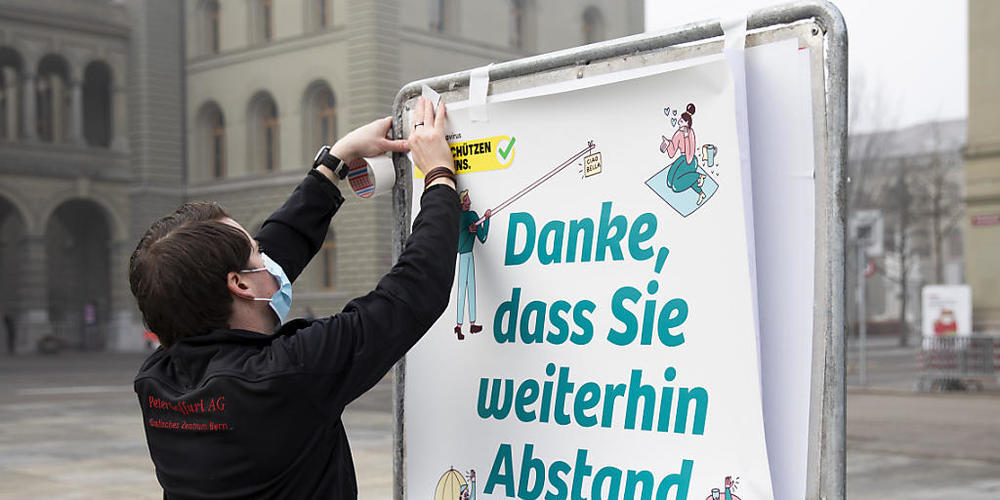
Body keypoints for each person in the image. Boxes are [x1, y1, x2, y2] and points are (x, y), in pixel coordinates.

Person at [130, 96, 457, 498]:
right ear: (241, 285)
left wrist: (334, 163)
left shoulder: (157, 383)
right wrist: (440, 176)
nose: (268, 258)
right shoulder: (287, 374)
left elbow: (265, 255)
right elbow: (412, 292)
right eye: (256, 252)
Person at [455, 190, 491, 340]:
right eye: (466, 200)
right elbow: (456, 243)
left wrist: (487, 220)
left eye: (468, 199)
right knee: (462, 289)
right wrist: (467, 231)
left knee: (472, 289)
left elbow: (482, 238)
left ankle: (472, 323)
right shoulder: (457, 218)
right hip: (463, 255)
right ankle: (458, 325)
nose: (469, 202)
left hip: (470, 254)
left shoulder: (473, 216)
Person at [662, 103, 707, 205]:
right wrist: (667, 143)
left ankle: (699, 176)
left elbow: (690, 153)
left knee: (676, 186)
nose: (679, 122)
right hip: (682, 159)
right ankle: (701, 193)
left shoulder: (690, 133)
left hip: (691, 160)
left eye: (681, 121)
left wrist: (686, 137)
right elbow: (672, 152)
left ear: (687, 123)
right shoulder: (678, 133)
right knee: (669, 182)